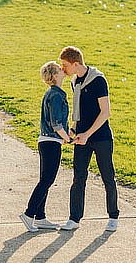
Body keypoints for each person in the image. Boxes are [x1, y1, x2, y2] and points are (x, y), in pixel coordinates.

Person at [58, 46, 119, 232]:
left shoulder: (98, 80)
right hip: (81, 137)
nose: (62, 69)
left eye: (65, 65)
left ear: (76, 64)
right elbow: (79, 112)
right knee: (78, 178)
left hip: (101, 137)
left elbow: (105, 112)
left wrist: (87, 134)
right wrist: (72, 130)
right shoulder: (75, 81)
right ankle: (74, 218)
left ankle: (113, 216)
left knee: (108, 176)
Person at [19, 62, 73, 232]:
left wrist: (64, 137)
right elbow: (56, 124)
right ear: (54, 75)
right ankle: (29, 214)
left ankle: (40, 217)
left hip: (46, 141)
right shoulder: (56, 95)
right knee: (47, 180)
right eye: (59, 69)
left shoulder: (52, 93)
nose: (62, 70)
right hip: (51, 142)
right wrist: (68, 139)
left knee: (45, 179)